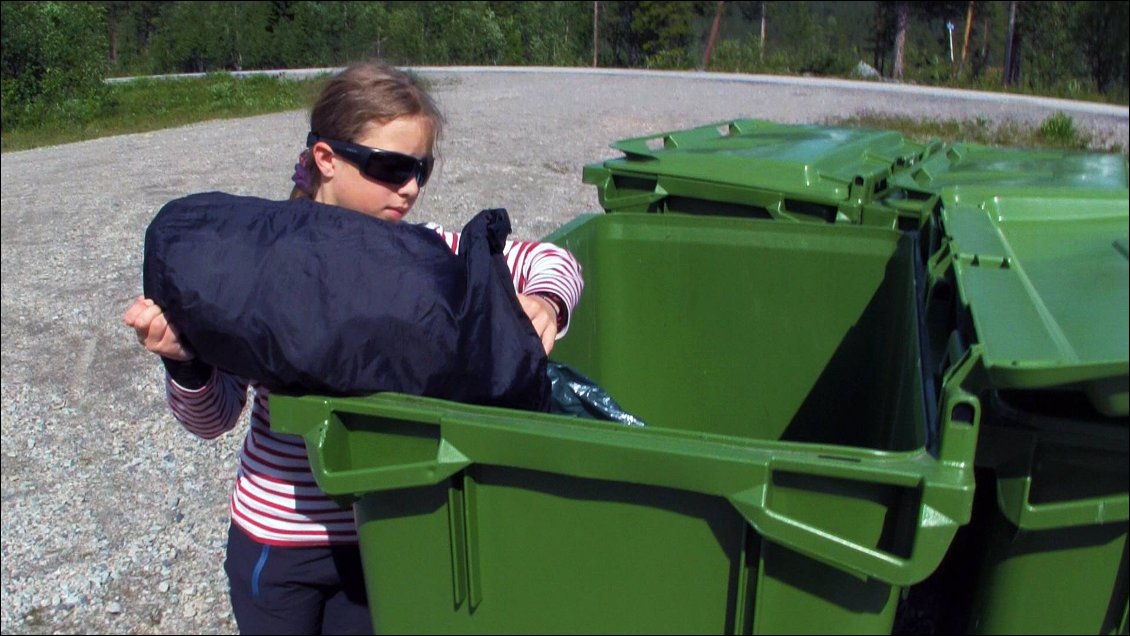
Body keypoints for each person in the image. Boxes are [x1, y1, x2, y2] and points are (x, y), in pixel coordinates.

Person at [123, 61, 583, 635]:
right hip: (276, 538)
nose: (410, 187)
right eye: (391, 167)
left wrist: (546, 301)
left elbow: (553, 260)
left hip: (382, 536)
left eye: (422, 169)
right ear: (326, 160)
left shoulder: (424, 252)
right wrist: (184, 362)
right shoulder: (259, 267)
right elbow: (215, 418)